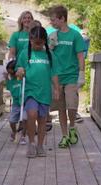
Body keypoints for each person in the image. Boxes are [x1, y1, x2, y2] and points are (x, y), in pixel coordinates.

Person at [16, 26, 60, 158]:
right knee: (31, 113)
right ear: (30, 40)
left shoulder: (49, 55)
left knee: (42, 119)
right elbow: (18, 71)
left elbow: (54, 74)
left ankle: (40, 145)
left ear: (45, 41)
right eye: (35, 43)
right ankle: (31, 143)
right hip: (30, 91)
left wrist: (57, 88)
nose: (38, 45)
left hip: (44, 92)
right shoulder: (25, 53)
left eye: (40, 43)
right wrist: (20, 71)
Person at [49, 5, 86, 148]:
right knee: (61, 108)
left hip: (71, 76)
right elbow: (47, 55)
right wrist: (50, 47)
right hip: (57, 78)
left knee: (72, 106)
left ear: (62, 18)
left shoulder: (75, 35)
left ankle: (72, 127)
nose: (52, 23)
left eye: (54, 20)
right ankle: (64, 136)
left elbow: (80, 56)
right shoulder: (53, 36)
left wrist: (81, 74)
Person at [5, 60, 27, 145]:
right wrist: (7, 78)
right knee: (12, 121)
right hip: (16, 105)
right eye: (9, 73)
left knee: (25, 120)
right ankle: (14, 132)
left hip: (25, 103)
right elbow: (9, 88)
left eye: (12, 73)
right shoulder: (11, 81)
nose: (11, 75)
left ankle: (23, 136)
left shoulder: (24, 80)